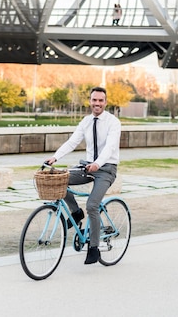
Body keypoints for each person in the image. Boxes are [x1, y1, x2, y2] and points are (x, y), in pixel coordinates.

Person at [45, 86, 121, 264]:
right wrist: (55, 157)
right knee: (59, 180)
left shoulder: (113, 122)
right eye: (94, 100)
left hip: (107, 168)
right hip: (87, 166)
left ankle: (94, 248)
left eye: (101, 100)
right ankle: (76, 213)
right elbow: (72, 142)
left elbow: (110, 147)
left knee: (92, 205)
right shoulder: (86, 121)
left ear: (105, 102)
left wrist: (98, 164)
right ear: (90, 101)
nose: (97, 103)